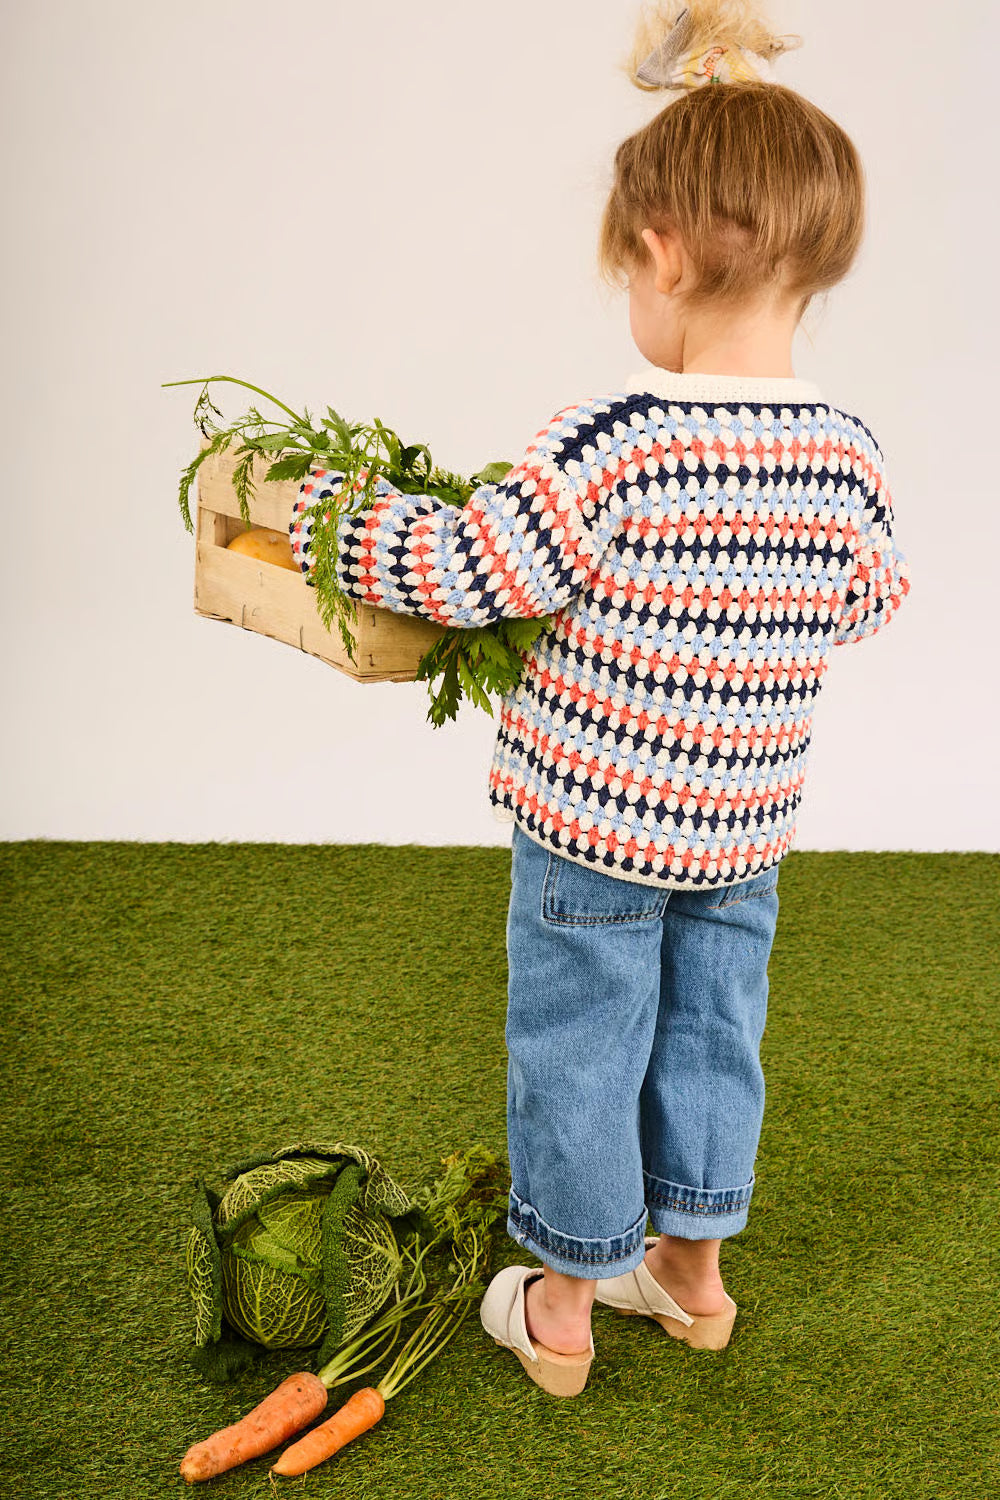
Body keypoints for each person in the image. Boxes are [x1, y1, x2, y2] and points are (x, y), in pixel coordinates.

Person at [292, 0, 912, 1398]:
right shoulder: (847, 453)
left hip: (593, 826)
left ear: (657, 251)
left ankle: (565, 1300)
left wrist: (333, 515)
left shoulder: (615, 440)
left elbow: (467, 567)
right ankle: (692, 1278)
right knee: (711, 1028)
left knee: (581, 1036)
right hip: (743, 826)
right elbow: (872, 601)